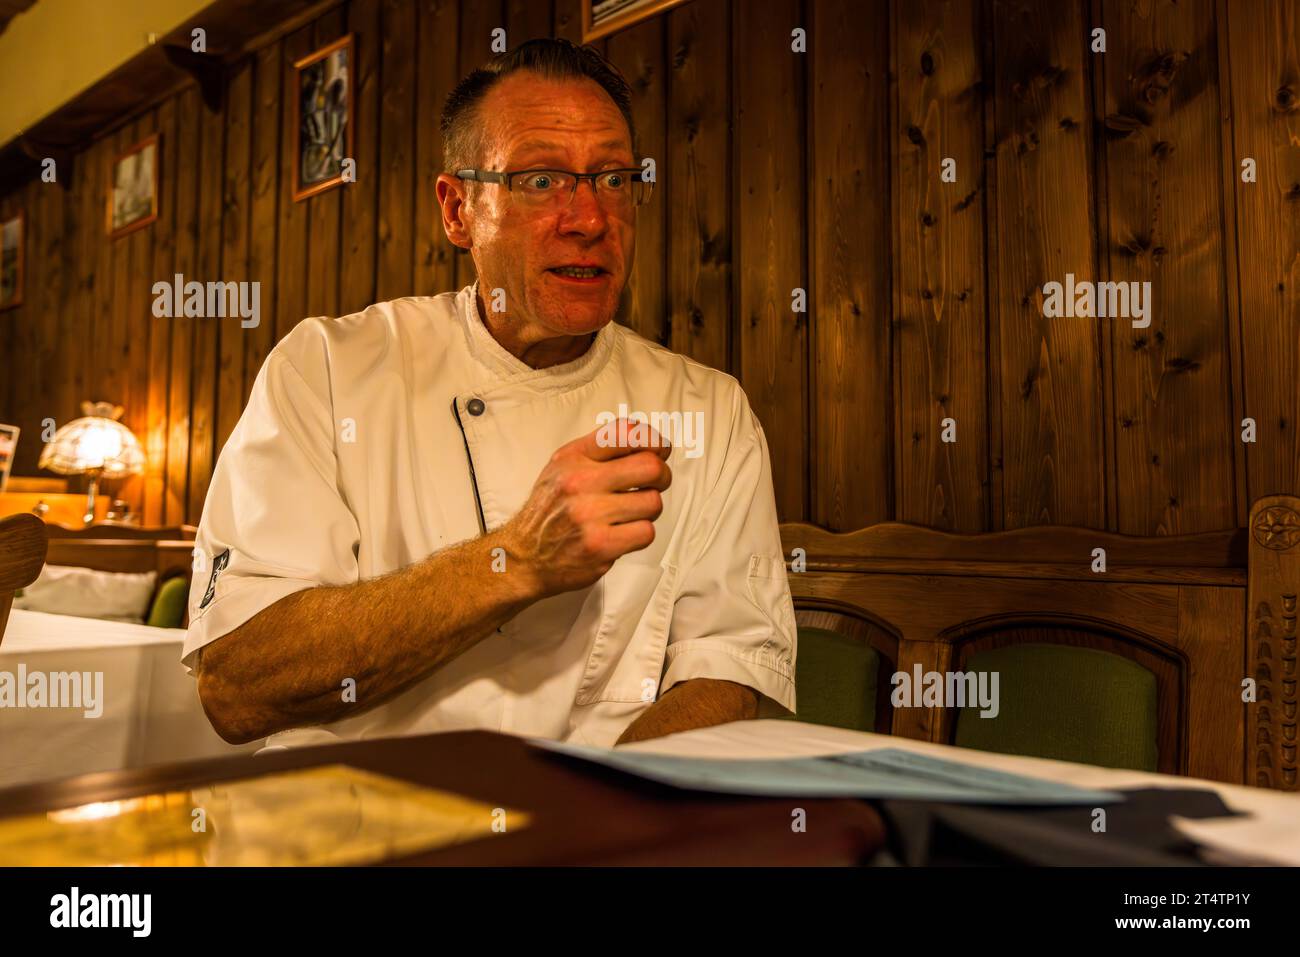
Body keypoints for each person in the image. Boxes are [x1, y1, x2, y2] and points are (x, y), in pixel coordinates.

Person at [185, 38, 796, 750]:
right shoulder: (326, 369)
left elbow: (727, 669)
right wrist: (517, 558)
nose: (591, 219)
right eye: (541, 180)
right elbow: (236, 688)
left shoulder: (709, 412)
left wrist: (582, 813)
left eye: (613, 179)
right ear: (457, 210)